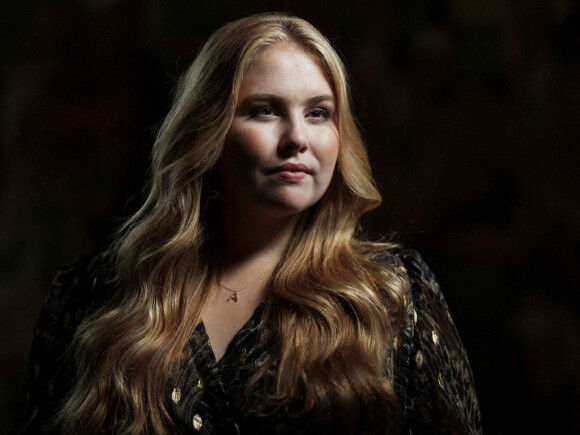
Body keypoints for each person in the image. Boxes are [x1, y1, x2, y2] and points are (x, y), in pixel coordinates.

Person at [20, 12, 481, 435]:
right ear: (209, 129)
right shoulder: (93, 296)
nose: (298, 138)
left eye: (319, 113)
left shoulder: (394, 296)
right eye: (265, 109)